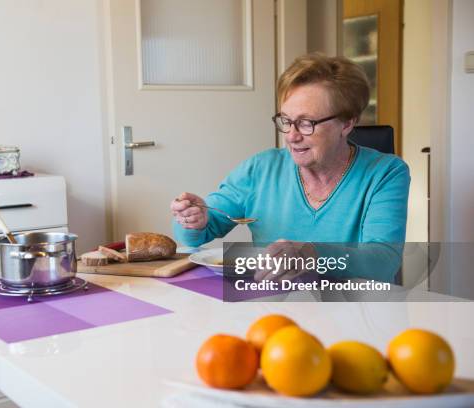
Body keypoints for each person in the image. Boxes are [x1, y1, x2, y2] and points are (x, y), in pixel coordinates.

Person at [170, 53, 410, 283]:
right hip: (272, 304)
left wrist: (311, 254)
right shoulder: (260, 169)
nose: (292, 136)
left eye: (306, 123)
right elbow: (198, 233)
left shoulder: (386, 173)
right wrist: (193, 220)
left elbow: (383, 262)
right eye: (286, 121)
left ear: (347, 123)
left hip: (354, 310)